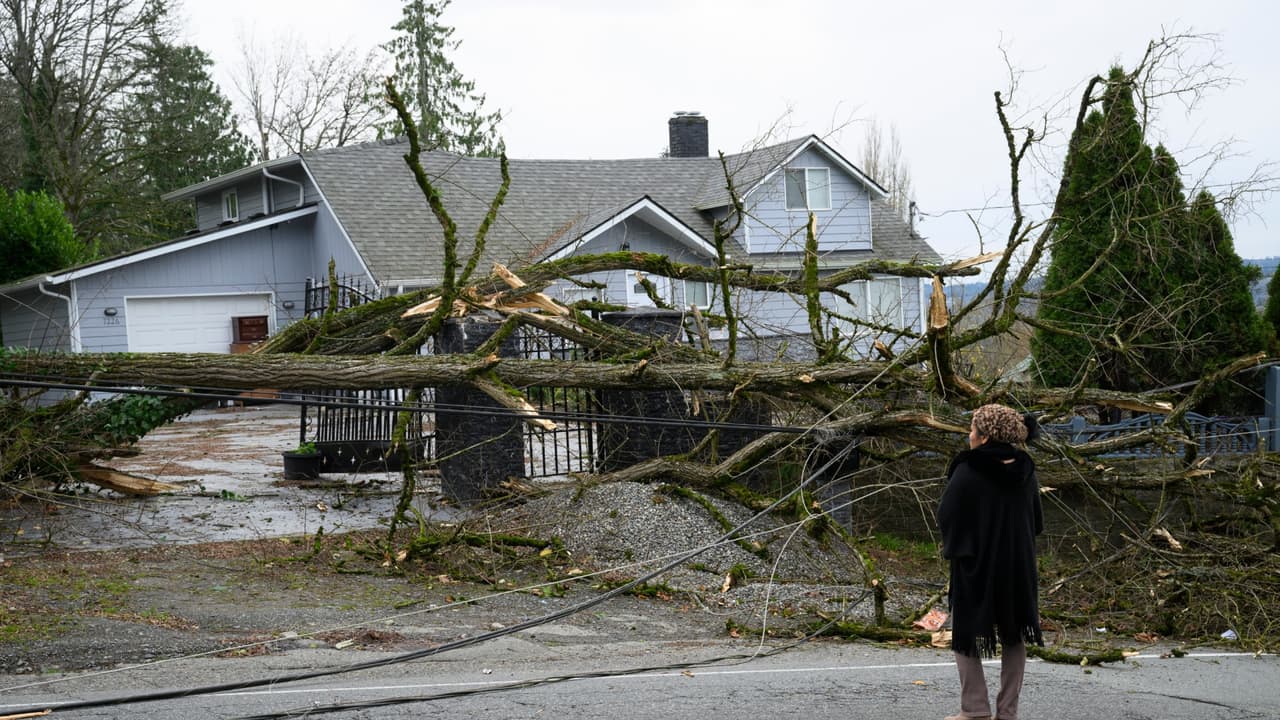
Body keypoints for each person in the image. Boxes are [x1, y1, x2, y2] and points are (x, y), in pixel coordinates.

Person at [937, 403, 1044, 720]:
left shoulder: (968, 469)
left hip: (977, 566)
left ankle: (974, 708)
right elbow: (1036, 522)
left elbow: (947, 515)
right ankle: (1007, 712)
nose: (969, 435)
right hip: (1018, 567)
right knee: (1015, 633)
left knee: (965, 632)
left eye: (972, 430)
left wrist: (961, 547)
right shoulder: (1026, 471)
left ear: (985, 437)